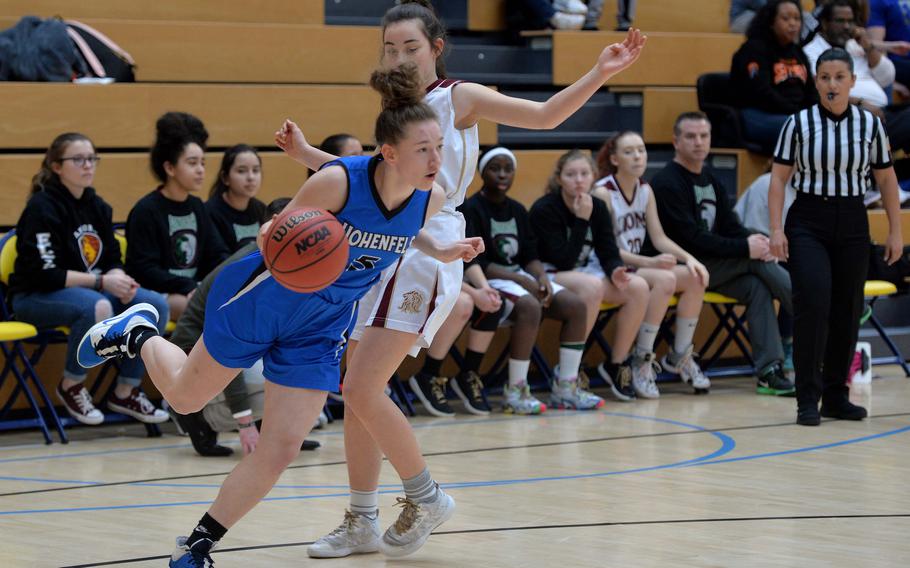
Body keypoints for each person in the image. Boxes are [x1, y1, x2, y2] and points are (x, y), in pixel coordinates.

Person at [275, 1, 644, 558]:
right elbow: (372, 182)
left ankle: (425, 496)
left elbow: (544, 117)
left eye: (411, 47)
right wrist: (310, 156)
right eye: (390, 48)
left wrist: (600, 71)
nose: (398, 57)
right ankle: (361, 518)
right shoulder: (397, 107)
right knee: (358, 389)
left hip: (428, 248)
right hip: (383, 244)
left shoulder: (458, 96)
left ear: (436, 48)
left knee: (360, 388)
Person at [78, 63, 482, 565]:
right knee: (184, 399)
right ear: (390, 152)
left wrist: (441, 252)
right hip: (263, 301)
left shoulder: (430, 198)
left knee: (282, 445)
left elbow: (399, 230)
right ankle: (138, 333)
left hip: (321, 327)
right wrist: (277, 230)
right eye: (425, 149)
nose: (436, 159)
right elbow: (277, 236)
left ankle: (201, 545)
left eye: (440, 147)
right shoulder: (336, 182)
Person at [769, 47, 903, 425]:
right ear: (816, 82)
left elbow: (886, 179)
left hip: (853, 219)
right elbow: (778, 179)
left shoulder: (870, 124)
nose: (831, 84)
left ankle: (836, 396)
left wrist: (895, 231)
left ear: (852, 81)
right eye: (824, 77)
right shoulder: (797, 124)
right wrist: (776, 229)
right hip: (808, 218)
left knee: (848, 309)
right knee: (813, 301)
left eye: (839, 77)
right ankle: (806, 399)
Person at [9, 133, 170, 426]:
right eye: (78, 159)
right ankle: (71, 385)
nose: (88, 166)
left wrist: (119, 278)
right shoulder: (42, 208)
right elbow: (46, 274)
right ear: (57, 167)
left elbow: (111, 258)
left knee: (151, 304)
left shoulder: (98, 206)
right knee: (96, 307)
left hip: (91, 291)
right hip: (36, 296)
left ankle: (126, 390)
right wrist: (101, 283)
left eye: (92, 159)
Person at [651, 112, 795, 396]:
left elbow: (730, 226)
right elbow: (692, 240)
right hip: (683, 268)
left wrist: (756, 242)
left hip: (713, 268)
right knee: (756, 262)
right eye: (690, 137)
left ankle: (769, 371)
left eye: (704, 136)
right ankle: (820, 310)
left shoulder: (710, 180)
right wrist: (746, 248)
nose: (698, 142)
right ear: (675, 142)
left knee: (757, 286)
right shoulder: (667, 182)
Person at [169, 197, 323, 457]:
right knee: (263, 374)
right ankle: (200, 418)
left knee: (297, 368)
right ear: (273, 226)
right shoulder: (242, 272)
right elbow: (225, 348)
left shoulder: (289, 267)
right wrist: (245, 422)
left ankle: (278, 430)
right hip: (193, 349)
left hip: (242, 348)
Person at [461, 147, 605, 412]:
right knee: (529, 305)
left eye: (508, 168)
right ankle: (515, 390)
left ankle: (567, 387)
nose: (503, 174)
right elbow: (475, 261)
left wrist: (541, 277)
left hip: (520, 276)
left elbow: (530, 253)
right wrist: (521, 278)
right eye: (495, 168)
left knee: (576, 306)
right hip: (489, 278)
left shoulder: (517, 209)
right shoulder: (471, 208)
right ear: (482, 172)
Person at [593, 132, 711, 396]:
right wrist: (650, 262)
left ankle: (679, 354)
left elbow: (658, 238)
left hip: (636, 265)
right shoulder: (603, 192)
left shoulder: (645, 190)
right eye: (629, 151)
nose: (637, 156)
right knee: (666, 279)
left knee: (695, 277)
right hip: (607, 266)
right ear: (614, 159)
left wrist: (690, 259)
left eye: (641, 150)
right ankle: (641, 359)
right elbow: (607, 249)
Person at [529, 150, 649, 402]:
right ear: (559, 178)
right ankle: (568, 376)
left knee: (637, 286)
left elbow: (608, 249)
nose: (578, 180)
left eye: (584, 174)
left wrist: (616, 269)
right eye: (571, 174)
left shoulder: (598, 206)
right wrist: (582, 220)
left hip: (583, 271)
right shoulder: (545, 208)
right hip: (549, 273)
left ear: (594, 176)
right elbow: (563, 259)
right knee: (593, 287)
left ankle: (617, 364)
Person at [125, 112, 229, 322]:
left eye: (202, 163)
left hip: (192, 290)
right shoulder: (146, 210)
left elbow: (217, 254)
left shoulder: (198, 207)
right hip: (155, 293)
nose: (200, 170)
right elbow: (143, 269)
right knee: (203, 311)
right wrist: (188, 287)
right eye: (192, 163)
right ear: (170, 167)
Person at [804, 0, 910, 152]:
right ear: (825, 24)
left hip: (881, 113)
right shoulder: (811, 52)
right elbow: (821, 95)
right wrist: (860, 105)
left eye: (850, 21)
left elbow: (887, 77)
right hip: (850, 121)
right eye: (840, 21)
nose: (847, 26)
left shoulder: (855, 46)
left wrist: (867, 46)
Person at [730, 0, 818, 153]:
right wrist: (796, 113)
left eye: (797, 19)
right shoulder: (754, 49)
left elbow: (810, 90)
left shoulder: (797, 52)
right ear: (770, 22)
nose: (793, 24)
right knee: (803, 130)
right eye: (786, 19)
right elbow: (760, 92)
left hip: (793, 115)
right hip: (758, 114)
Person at [205, 144, 267, 253]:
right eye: (241, 171)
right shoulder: (210, 212)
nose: (251, 177)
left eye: (256, 170)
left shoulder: (261, 209)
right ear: (225, 178)